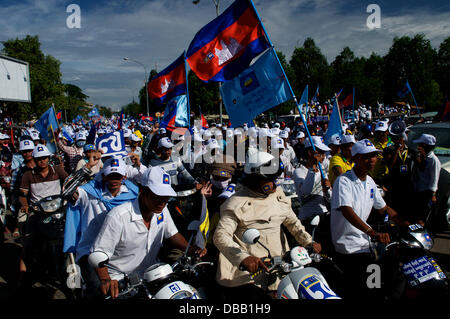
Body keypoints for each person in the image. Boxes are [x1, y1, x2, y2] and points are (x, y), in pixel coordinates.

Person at [213, 148, 320, 300]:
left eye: (276, 178)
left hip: (282, 264)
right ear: (255, 179)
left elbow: (292, 222)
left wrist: (308, 240)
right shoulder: (235, 203)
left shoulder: (278, 194)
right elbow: (221, 236)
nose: (274, 183)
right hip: (249, 272)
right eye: (269, 179)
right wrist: (243, 258)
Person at [90, 166, 206, 299]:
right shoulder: (118, 217)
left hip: (152, 276)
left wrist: (191, 250)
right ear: (142, 191)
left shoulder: (162, 211)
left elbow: (172, 234)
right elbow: (99, 253)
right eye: (157, 196)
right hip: (121, 282)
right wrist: (106, 280)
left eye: (166, 197)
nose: (162, 202)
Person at [330, 139, 409, 299]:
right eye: (366, 156)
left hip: (365, 242)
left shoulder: (370, 182)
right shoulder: (344, 181)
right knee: (369, 286)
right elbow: (346, 210)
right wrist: (372, 232)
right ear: (355, 159)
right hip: (349, 245)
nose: (372, 160)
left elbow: (384, 208)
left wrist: (406, 223)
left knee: (393, 271)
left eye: (373, 155)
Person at [63, 157, 139, 299]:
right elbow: (66, 191)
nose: (114, 180)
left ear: (124, 176)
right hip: (91, 252)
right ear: (104, 176)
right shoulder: (89, 192)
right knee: (99, 291)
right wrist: (87, 167)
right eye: (111, 176)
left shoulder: (133, 195)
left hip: (121, 253)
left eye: (118, 176)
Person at [411, 133, 441, 225]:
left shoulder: (433, 160)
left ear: (425, 145)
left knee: (422, 217)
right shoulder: (423, 157)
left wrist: (432, 194)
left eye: (420, 145)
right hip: (419, 190)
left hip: (426, 193)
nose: (418, 146)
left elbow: (434, 179)